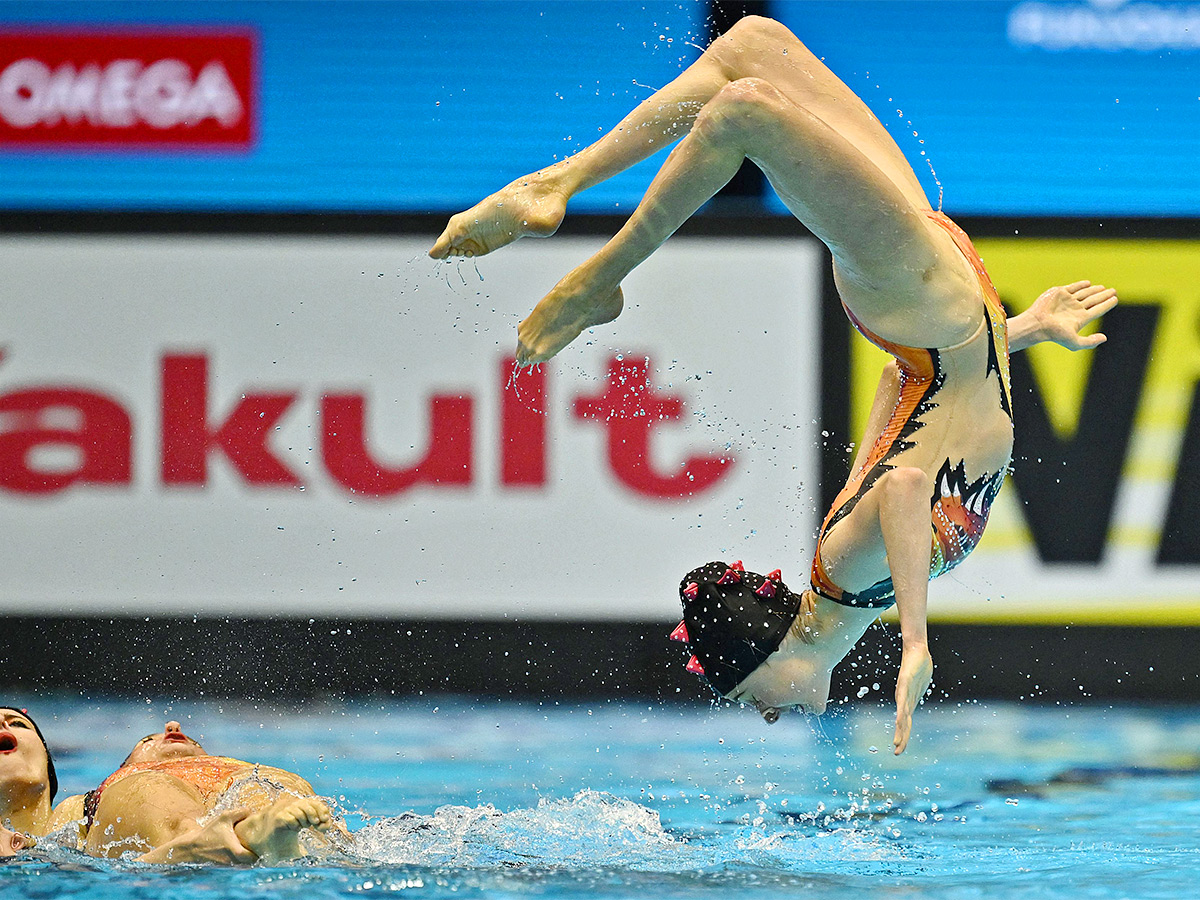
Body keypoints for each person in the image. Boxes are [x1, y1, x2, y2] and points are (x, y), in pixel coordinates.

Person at [429, 16, 1117, 754]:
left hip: (922, 292)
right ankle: (554, 185)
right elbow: (906, 386)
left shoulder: (849, 569)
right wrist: (1027, 330)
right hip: (945, 305)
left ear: (770, 655)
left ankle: (598, 277)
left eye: (749, 696)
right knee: (751, 45)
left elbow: (910, 484)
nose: (763, 715)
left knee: (743, 108)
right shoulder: (852, 583)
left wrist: (917, 642)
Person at [1, 709, 333, 864]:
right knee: (152, 791)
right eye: (147, 739)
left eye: (17, 723)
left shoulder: (241, 767)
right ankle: (209, 840)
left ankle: (271, 830)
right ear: (125, 763)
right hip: (142, 784)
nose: (172, 726)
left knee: (272, 791)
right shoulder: (108, 790)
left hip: (239, 776)